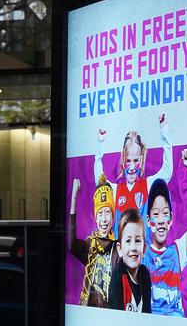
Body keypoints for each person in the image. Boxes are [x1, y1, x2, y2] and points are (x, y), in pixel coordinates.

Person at [143, 147, 187, 317]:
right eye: (156, 214)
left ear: (171, 219)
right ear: (149, 221)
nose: (161, 220)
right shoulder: (141, 254)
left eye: (165, 213)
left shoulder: (178, 251)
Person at [94, 114, 172, 226]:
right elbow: (100, 183)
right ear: (123, 159)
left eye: (135, 161)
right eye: (128, 161)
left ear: (141, 160)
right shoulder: (116, 190)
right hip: (121, 243)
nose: (131, 167)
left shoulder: (148, 185)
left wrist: (164, 132)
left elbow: (167, 172)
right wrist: (100, 145)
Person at [68, 173, 117, 307]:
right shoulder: (90, 244)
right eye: (100, 213)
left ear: (113, 217)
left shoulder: (118, 248)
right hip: (88, 312)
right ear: (95, 218)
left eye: (107, 212)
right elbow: (72, 245)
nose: (104, 219)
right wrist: (73, 198)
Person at [108, 208, 151, 313]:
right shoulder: (118, 275)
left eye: (137, 241)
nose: (133, 247)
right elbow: (115, 318)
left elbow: (147, 313)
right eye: (128, 241)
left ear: (144, 249)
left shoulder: (144, 274)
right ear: (120, 249)